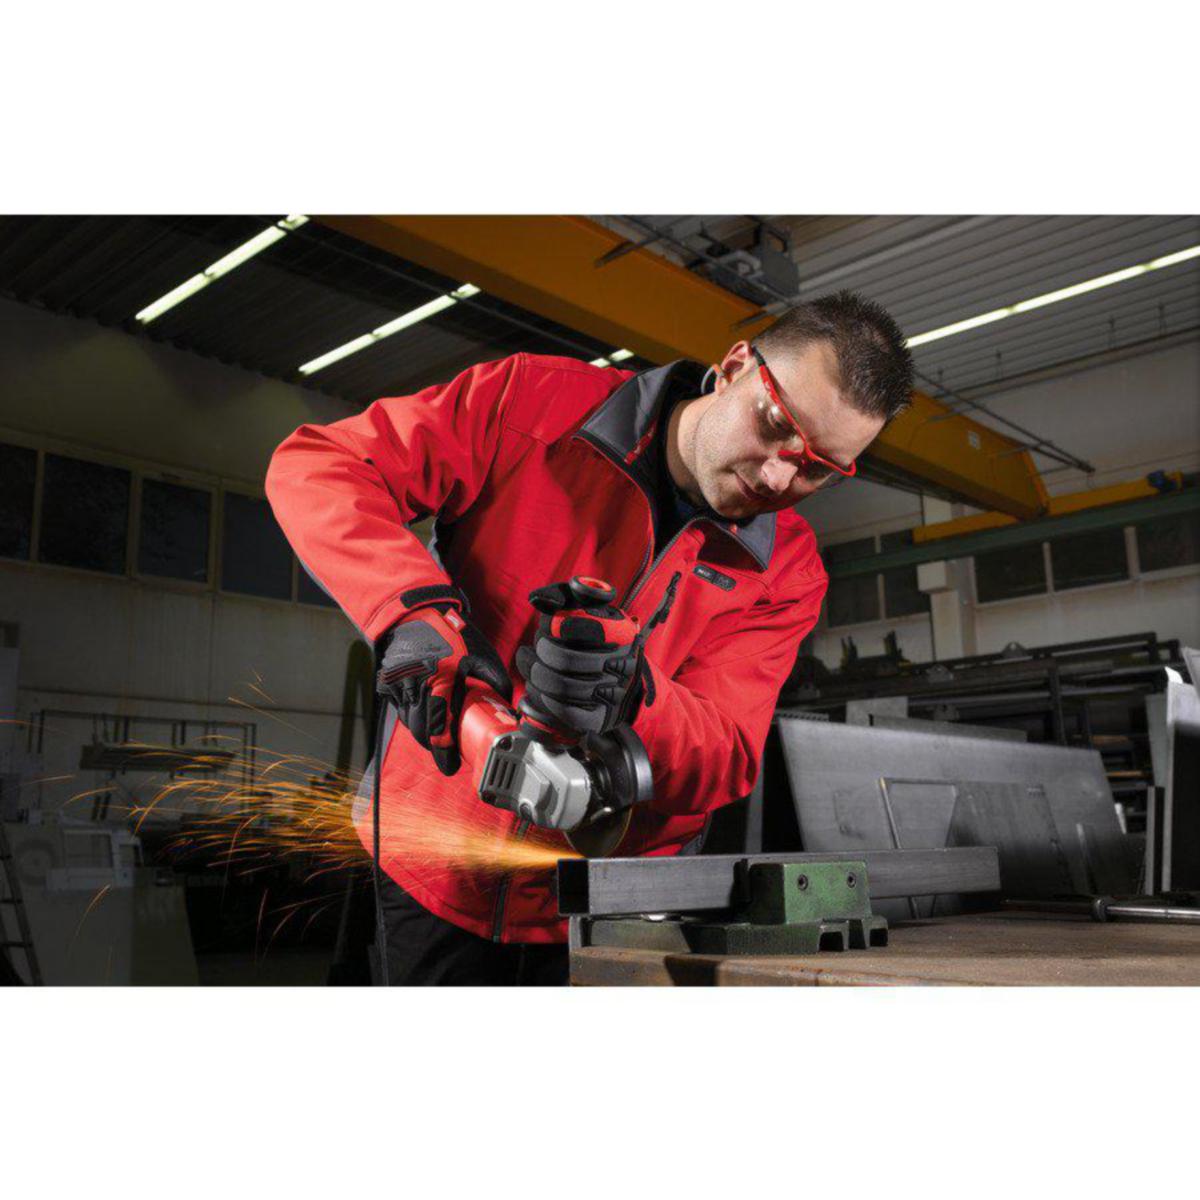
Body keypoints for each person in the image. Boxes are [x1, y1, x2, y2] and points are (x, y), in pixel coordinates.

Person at [265, 290, 913, 986]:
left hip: (609, 903)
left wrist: (632, 694)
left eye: (817, 467)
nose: (777, 474)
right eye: (775, 424)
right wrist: (414, 618)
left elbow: (726, 753)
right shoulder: (533, 403)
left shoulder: (787, 569)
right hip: (433, 863)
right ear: (734, 368)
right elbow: (319, 467)